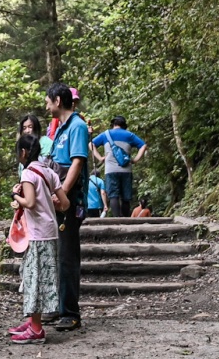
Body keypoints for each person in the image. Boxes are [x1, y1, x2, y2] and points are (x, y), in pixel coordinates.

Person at [45, 81, 89, 331]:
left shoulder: (78, 126)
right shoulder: (61, 129)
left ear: (58, 101)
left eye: (48, 100)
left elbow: (77, 163)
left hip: (68, 202)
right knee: (56, 256)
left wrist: (63, 195)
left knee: (67, 257)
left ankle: (70, 312)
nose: (46, 104)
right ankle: (57, 307)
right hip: (56, 198)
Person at [9, 133, 60, 344]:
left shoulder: (29, 173)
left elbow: (29, 203)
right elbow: (63, 203)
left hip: (38, 234)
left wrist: (15, 196)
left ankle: (37, 329)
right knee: (39, 276)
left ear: (23, 152)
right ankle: (33, 322)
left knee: (34, 278)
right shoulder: (49, 172)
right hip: (50, 230)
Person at [91, 116, 146, 220]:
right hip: (126, 170)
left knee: (113, 195)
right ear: (124, 125)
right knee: (126, 197)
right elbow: (143, 146)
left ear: (113, 124)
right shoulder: (129, 135)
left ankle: (116, 219)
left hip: (110, 170)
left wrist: (100, 158)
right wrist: (135, 160)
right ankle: (126, 220)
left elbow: (91, 144)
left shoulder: (106, 134)